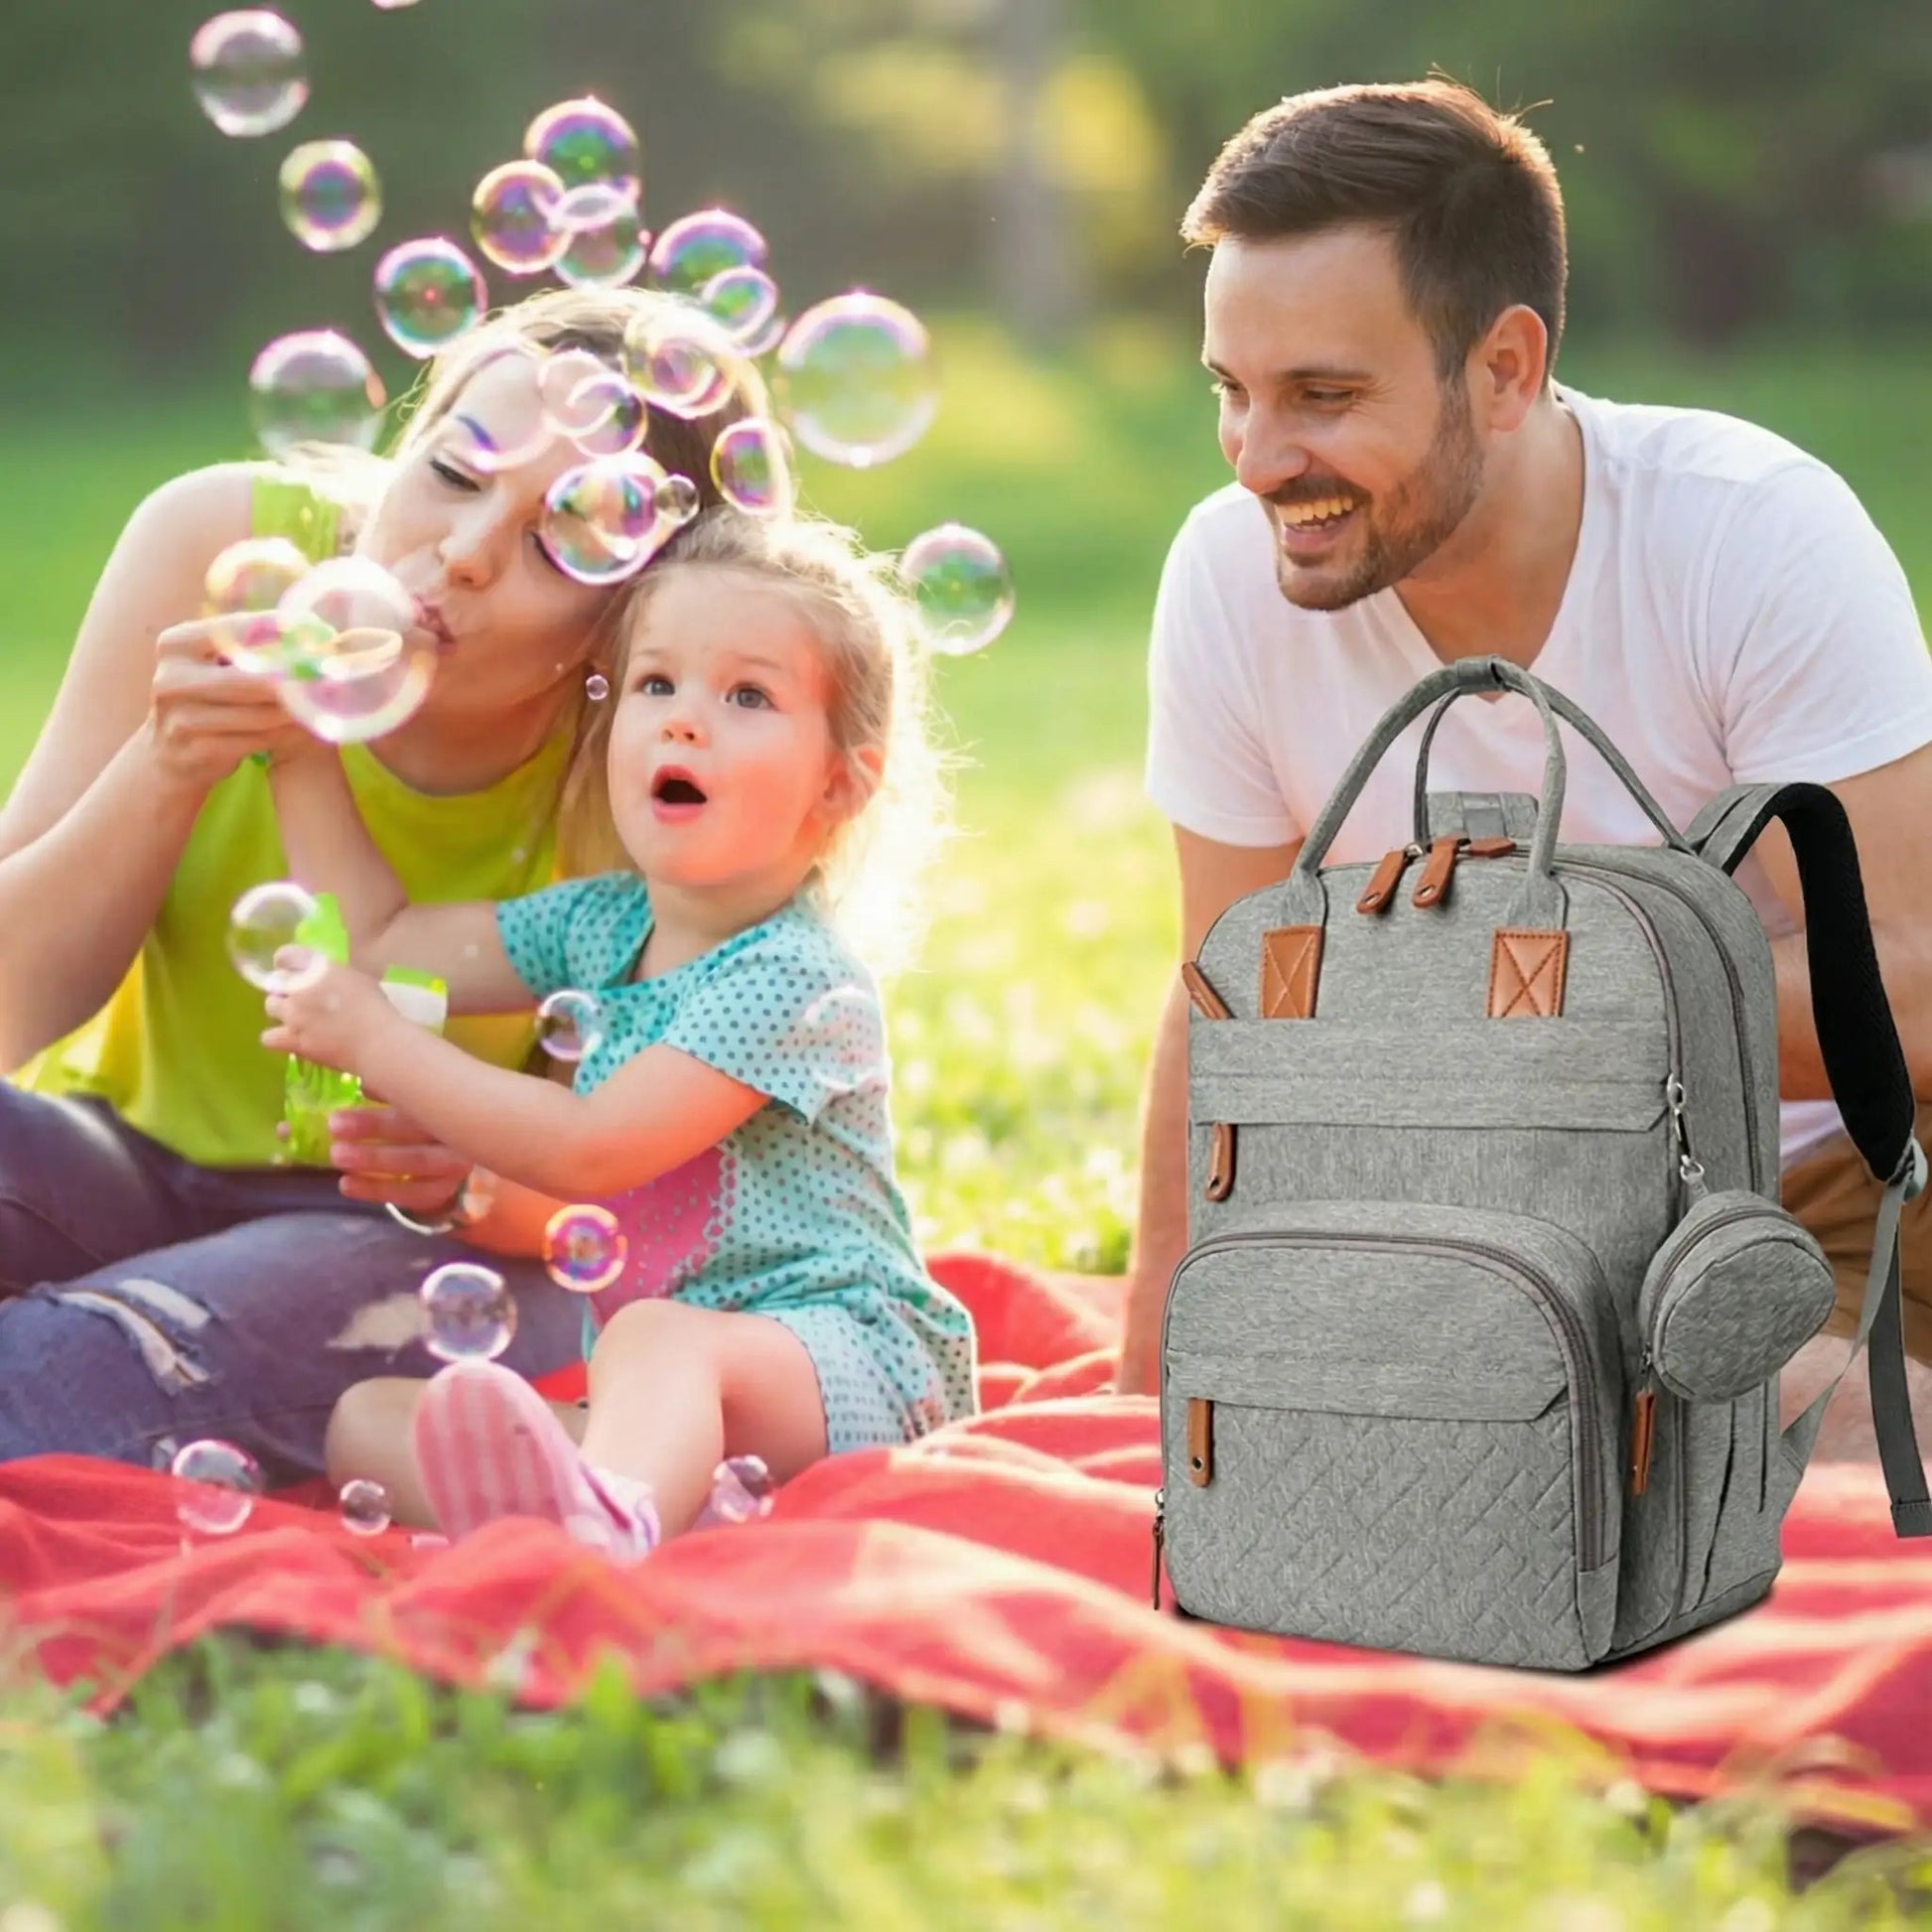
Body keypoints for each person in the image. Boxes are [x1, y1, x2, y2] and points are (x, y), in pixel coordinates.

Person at [1111, 77, 1932, 1461]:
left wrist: (1507, 1007)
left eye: (1321, 395)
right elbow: (1225, 1002)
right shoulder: (1225, 576)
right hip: (1499, 1232)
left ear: (1501, 367)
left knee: (1749, 1448)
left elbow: (1907, 988)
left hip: (1824, 1178)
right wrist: (1153, 1376)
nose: (1256, 459)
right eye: (1230, 392)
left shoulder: (1746, 535)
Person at [0, 286, 768, 1483]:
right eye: (455, 471)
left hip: (426, 1244)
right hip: (119, 1160)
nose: (461, 552)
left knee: (63, 1369)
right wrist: (166, 762)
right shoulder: (217, 547)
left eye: (558, 539)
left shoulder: (651, 749)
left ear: (632, 618)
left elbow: (630, 1194)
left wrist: (473, 1180)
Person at [267, 508, 975, 1553]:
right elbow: (382, 939)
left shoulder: (793, 977)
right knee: (367, 1422)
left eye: (746, 695)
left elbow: (587, 1147)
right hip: (672, 1396)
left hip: (851, 1367)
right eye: (656, 683)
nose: (683, 722)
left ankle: (606, 1535)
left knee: (654, 1335)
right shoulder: (601, 924)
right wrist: (295, 745)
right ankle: (629, 1499)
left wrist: (377, 1043)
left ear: (838, 781)